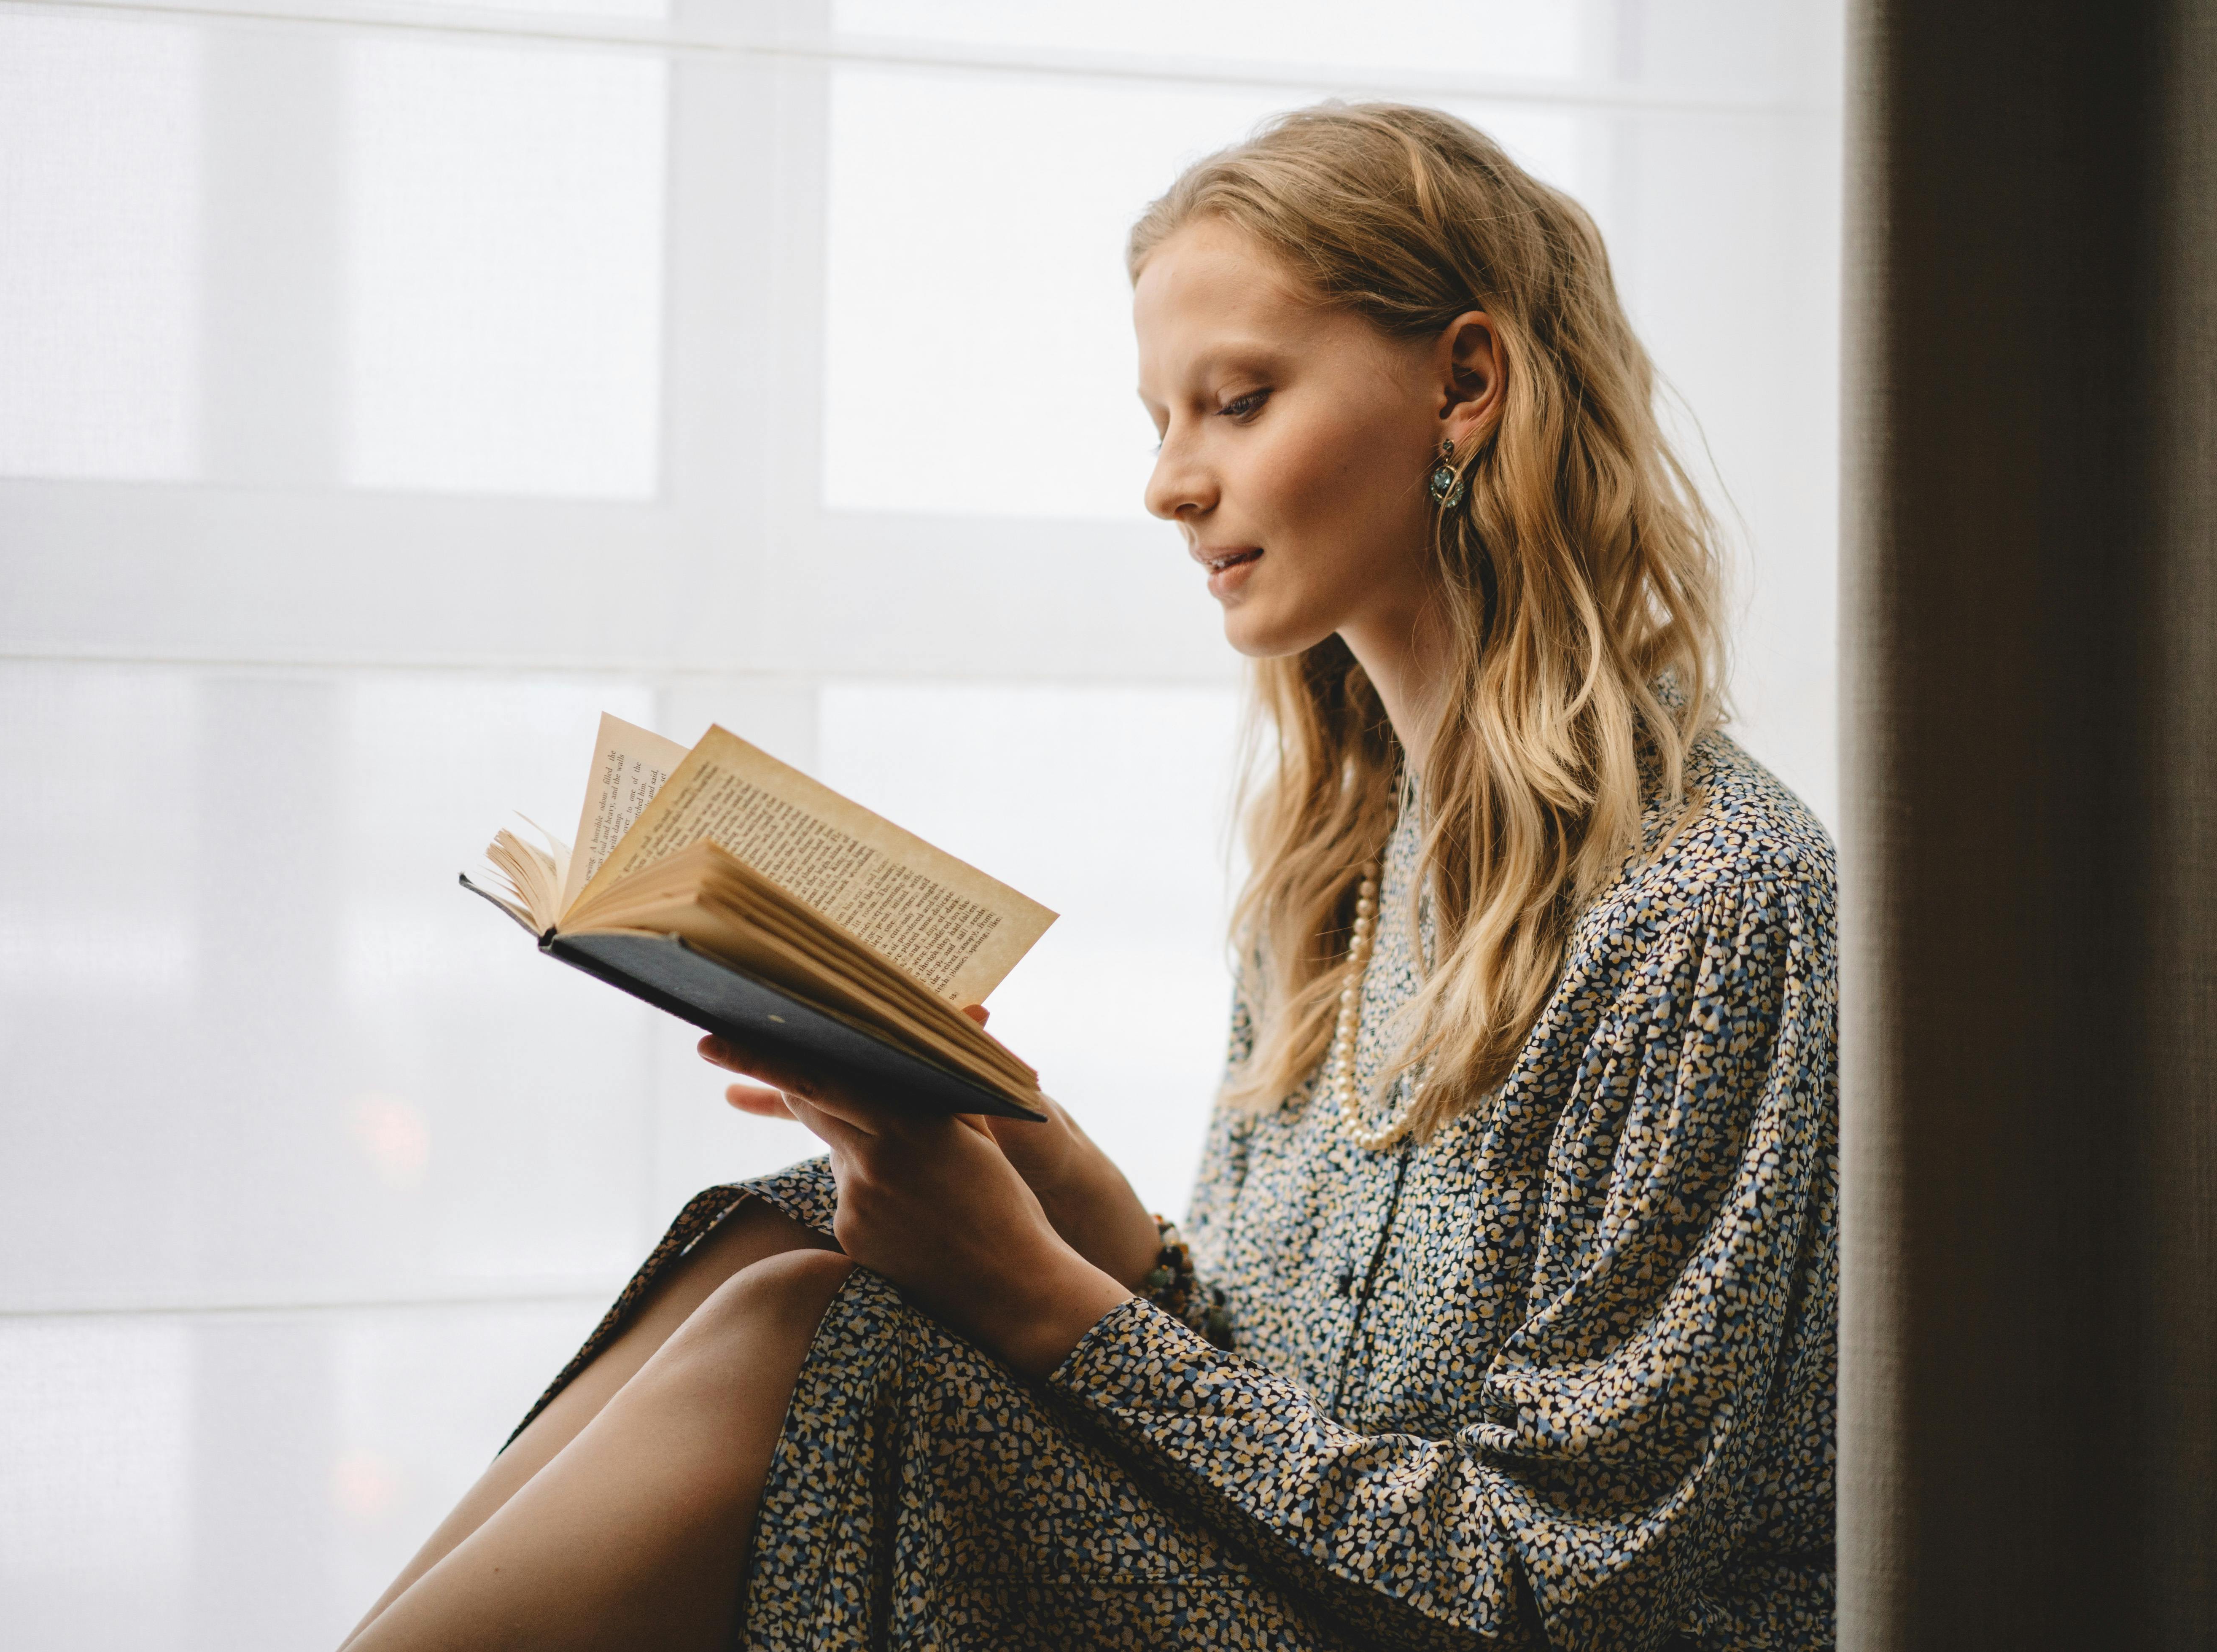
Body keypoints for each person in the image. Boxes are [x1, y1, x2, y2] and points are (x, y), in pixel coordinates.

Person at [340, 101, 1838, 1652]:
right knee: (795, 1223)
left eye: (1238, 403)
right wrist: (1041, 1163)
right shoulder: (1344, 867)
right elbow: (1266, 1394)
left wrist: (1028, 1290)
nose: (1171, 484)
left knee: (817, 1330)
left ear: (1465, 383)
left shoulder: (1716, 900)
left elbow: (1548, 1587)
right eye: (1160, 421)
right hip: (1321, 1588)